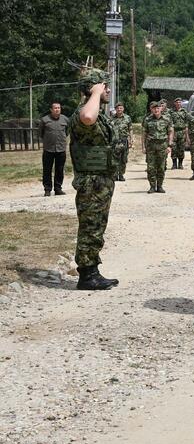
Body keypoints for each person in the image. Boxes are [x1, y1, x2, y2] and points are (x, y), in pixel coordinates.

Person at [68, 68, 119, 290]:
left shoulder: (100, 113)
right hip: (91, 183)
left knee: (97, 226)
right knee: (90, 226)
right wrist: (96, 93)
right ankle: (87, 276)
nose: (107, 89)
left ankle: (93, 271)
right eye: (103, 86)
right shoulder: (84, 112)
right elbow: (88, 117)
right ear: (93, 89)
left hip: (101, 181)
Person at [38, 101, 70, 196]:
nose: (57, 109)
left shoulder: (65, 119)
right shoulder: (44, 120)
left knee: (59, 170)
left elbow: (67, 132)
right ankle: (47, 189)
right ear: (51, 109)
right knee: (47, 170)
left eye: (59, 108)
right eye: (55, 108)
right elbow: (40, 133)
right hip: (48, 149)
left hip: (61, 149)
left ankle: (58, 189)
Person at [142, 101, 173, 193]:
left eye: (158, 108)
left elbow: (170, 132)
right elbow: (144, 134)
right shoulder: (147, 120)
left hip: (162, 146)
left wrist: (169, 145)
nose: (156, 110)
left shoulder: (167, 119)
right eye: (154, 108)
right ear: (152, 109)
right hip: (151, 146)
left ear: (161, 109)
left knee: (161, 167)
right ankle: (152, 186)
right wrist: (143, 147)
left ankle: (159, 186)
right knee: (150, 168)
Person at [109, 102, 132, 181]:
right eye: (118, 108)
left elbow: (130, 129)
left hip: (124, 141)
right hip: (114, 142)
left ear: (123, 109)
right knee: (115, 159)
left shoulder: (127, 118)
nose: (119, 109)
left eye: (121, 108)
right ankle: (115, 175)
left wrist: (131, 140)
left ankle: (121, 175)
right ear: (115, 109)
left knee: (123, 159)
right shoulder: (111, 118)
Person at [170, 98, 190, 170]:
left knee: (181, 148)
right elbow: (169, 121)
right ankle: (174, 164)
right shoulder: (171, 112)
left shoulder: (184, 111)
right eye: (177, 102)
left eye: (179, 102)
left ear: (181, 103)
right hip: (174, 132)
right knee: (174, 148)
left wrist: (186, 133)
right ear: (174, 103)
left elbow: (187, 121)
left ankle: (180, 164)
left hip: (182, 131)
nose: (178, 103)